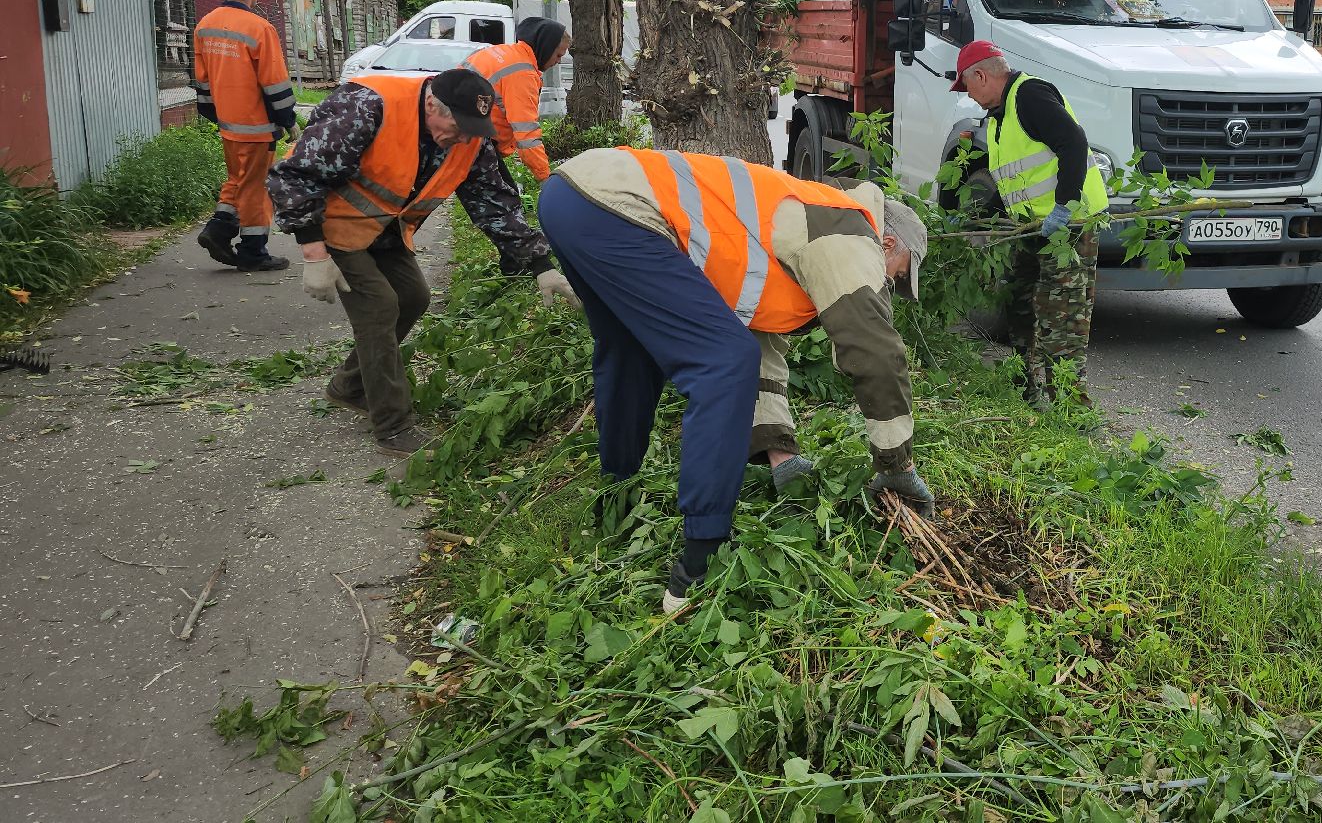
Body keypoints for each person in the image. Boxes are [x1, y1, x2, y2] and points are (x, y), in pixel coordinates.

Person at [541, 146, 932, 613]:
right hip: (620, 207)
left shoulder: (804, 219)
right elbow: (875, 354)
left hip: (572, 196)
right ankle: (699, 564)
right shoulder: (849, 233)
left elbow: (761, 340)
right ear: (887, 244)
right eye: (898, 275)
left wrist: (779, 451)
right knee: (724, 363)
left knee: (629, 352)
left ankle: (616, 495)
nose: (889, 286)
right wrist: (896, 465)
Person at [266, 68, 577, 457]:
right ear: (432, 103)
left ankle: (350, 385)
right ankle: (393, 426)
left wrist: (540, 265)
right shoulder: (367, 106)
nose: (462, 138)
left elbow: (494, 203)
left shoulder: (469, 139)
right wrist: (314, 252)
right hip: (332, 224)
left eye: (471, 129)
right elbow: (295, 176)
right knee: (379, 306)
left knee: (413, 297)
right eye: (457, 126)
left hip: (386, 229)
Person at [951, 40, 1109, 409]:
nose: (968, 95)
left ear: (981, 75)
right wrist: (977, 215)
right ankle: (1027, 391)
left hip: (1068, 228)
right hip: (1030, 228)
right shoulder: (999, 116)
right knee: (1018, 305)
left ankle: (1071, 411)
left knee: (1062, 320)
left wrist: (1064, 207)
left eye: (966, 85)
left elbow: (1073, 143)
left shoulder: (1030, 96)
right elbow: (1014, 180)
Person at [194, 0, 297, 271]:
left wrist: (217, 115)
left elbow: (203, 82)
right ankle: (253, 251)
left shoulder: (205, 25)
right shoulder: (260, 28)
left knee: (238, 179)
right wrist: (288, 120)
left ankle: (219, 229)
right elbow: (274, 82)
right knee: (255, 187)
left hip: (229, 125)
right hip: (257, 127)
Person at [459, 16, 570, 183]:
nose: (559, 61)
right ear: (546, 48)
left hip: (458, 133)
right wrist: (546, 178)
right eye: (558, 55)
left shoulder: (503, 52)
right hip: (471, 143)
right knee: (503, 199)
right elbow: (526, 135)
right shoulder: (522, 74)